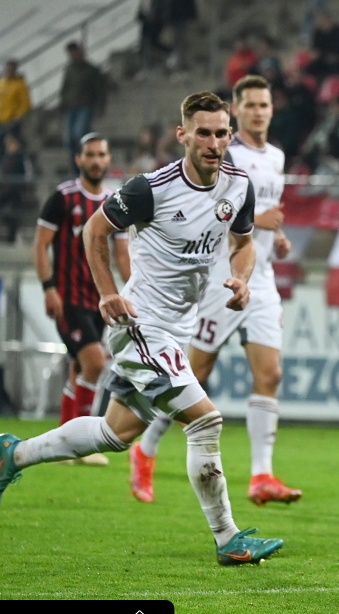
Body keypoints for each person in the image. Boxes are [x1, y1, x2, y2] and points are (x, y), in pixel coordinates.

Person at [0, 91, 284, 566]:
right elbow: (93, 231)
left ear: (230, 135)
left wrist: (241, 278)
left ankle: (14, 455)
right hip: (140, 323)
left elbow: (243, 243)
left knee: (116, 432)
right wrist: (107, 293)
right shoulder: (151, 188)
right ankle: (228, 539)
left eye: (221, 133)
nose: (213, 143)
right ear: (183, 135)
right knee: (205, 420)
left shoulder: (237, 186)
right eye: (202, 133)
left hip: (176, 330)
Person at [128, 76, 300, 507]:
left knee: (271, 374)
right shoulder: (223, 152)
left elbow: (259, 218)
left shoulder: (276, 157)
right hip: (218, 280)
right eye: (251, 105)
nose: (259, 112)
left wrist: (276, 237)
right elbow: (213, 213)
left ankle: (261, 475)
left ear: (272, 110)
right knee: (193, 374)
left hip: (259, 278)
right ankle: (145, 449)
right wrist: (260, 222)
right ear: (236, 111)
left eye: (265, 105)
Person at [34, 132, 128, 467]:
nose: (96, 160)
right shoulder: (63, 197)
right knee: (95, 362)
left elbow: (122, 254)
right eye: (90, 154)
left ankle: (63, 442)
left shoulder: (115, 202)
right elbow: (41, 245)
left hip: (98, 299)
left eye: (102, 154)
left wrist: (134, 289)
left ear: (108, 159)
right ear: (79, 159)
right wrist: (48, 287)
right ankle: (81, 444)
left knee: (79, 368)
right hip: (67, 297)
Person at [61, 43, 105, 165]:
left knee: (78, 133)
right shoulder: (69, 69)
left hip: (85, 106)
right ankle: (75, 163)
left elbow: (99, 90)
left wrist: (100, 107)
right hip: (71, 106)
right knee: (68, 139)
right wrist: (63, 103)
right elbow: (65, 88)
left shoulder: (91, 70)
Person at [0, 60, 31, 166]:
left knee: (14, 149)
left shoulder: (20, 85)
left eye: (11, 69)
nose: (9, 71)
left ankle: (16, 168)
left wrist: (16, 117)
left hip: (11, 121)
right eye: (8, 69)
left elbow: (25, 104)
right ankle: (3, 168)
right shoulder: (1, 83)